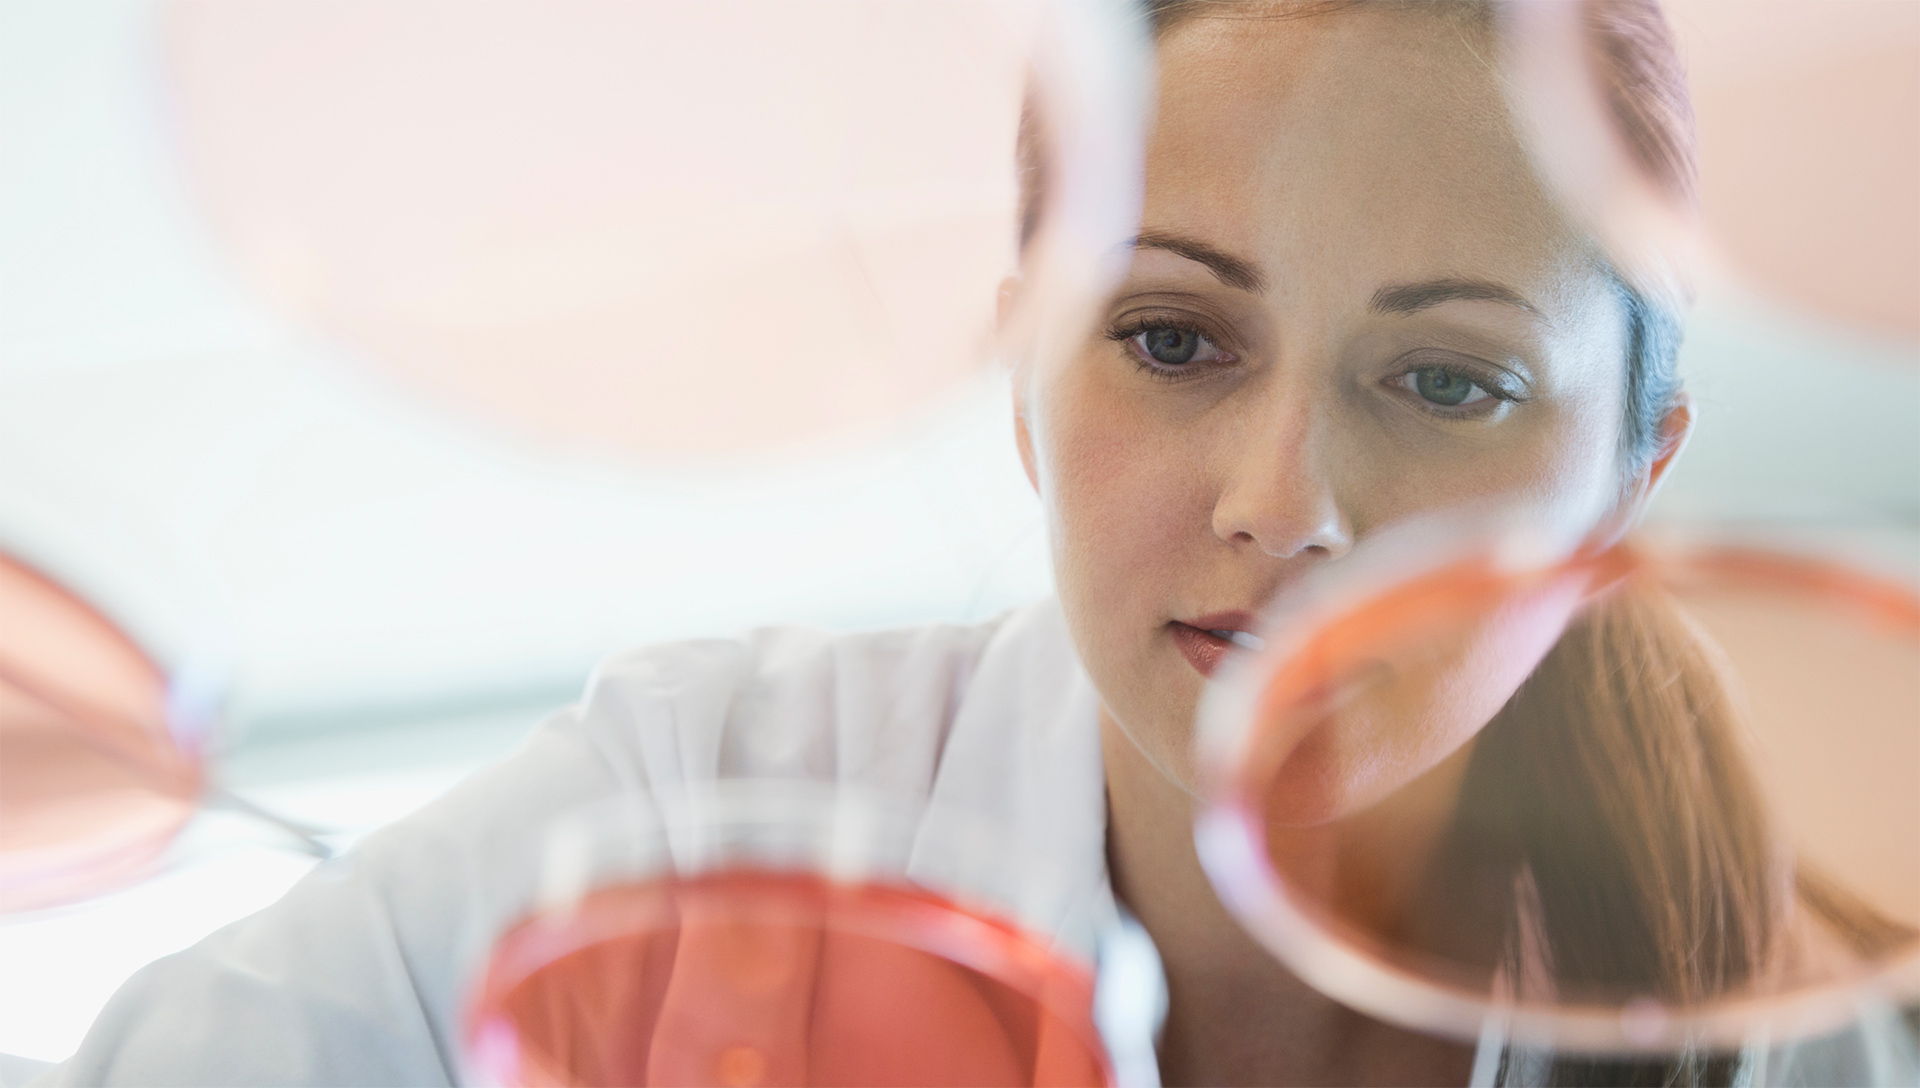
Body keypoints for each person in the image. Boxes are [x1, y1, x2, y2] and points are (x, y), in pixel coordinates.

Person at [44, 1, 1770, 1085]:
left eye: (1450, 381)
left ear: (1622, 493)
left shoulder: (1767, 1029)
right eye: (1172, 339)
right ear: (1024, 378)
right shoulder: (691, 802)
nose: (1282, 503)